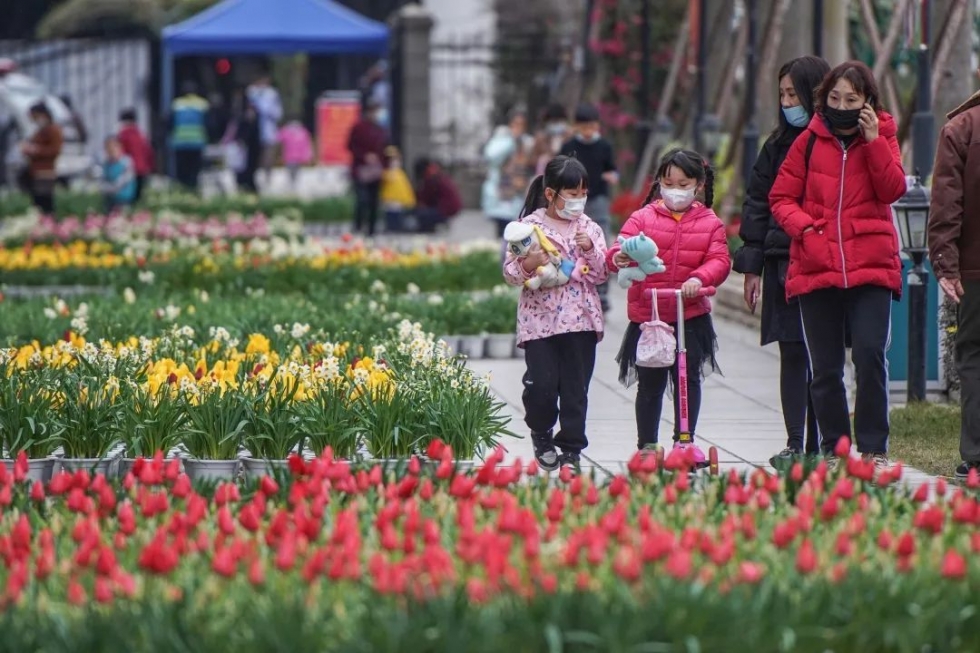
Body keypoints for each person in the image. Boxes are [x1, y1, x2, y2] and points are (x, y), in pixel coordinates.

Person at [769, 60, 906, 471]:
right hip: (817, 266)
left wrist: (873, 141)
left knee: (869, 356)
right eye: (834, 98)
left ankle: (873, 449)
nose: (841, 106)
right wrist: (807, 230)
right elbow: (780, 198)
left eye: (852, 99)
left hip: (871, 267)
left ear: (868, 103)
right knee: (825, 368)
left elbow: (892, 189)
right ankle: (835, 450)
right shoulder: (809, 141)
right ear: (823, 98)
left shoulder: (883, 135)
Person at [733, 55, 830, 468]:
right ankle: (794, 442)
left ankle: (823, 442)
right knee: (792, 353)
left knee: (821, 357)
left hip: (822, 261)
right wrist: (751, 267)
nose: (788, 101)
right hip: (781, 261)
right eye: (783, 94)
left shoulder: (832, 143)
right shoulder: (774, 146)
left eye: (795, 93)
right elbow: (756, 205)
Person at [607, 149, 730, 461]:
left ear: (698, 185)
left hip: (689, 313)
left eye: (683, 184)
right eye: (669, 183)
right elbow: (621, 246)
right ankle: (647, 445)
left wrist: (700, 278)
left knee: (687, 378)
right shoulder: (643, 217)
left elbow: (719, 259)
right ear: (659, 182)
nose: (675, 190)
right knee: (650, 382)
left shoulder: (709, 222)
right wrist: (618, 257)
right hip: (651, 314)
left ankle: (684, 440)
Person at [502, 155, 609, 471]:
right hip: (540, 324)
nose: (578, 201)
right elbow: (510, 274)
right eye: (571, 194)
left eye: (582, 193)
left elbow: (601, 274)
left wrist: (589, 248)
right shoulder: (527, 230)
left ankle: (571, 451)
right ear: (551, 194)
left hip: (581, 322)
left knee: (576, 392)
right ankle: (541, 430)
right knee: (543, 388)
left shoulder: (589, 228)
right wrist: (530, 263)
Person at [927, 66, 980, 479]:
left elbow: (947, 201)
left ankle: (976, 455)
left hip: (974, 268)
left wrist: (945, 261)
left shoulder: (961, 128)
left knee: (974, 353)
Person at [561, 103, 618, 313]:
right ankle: (572, 285)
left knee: (600, 245)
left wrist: (612, 176)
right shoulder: (568, 147)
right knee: (572, 245)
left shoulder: (604, 146)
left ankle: (602, 294)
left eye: (592, 127)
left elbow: (612, 169)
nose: (588, 131)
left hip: (597, 200)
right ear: (576, 127)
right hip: (573, 202)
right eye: (584, 127)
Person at [482, 108, 535, 239]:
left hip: (520, 194)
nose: (518, 128)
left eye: (522, 124)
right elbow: (491, 156)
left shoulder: (528, 142)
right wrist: (510, 140)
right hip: (501, 194)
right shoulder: (501, 139)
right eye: (515, 124)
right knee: (502, 235)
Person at [347, 99, 389, 236]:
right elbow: (350, 146)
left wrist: (384, 164)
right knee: (362, 200)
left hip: (376, 171)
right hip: (361, 169)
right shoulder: (358, 128)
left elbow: (385, 149)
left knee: (374, 201)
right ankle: (358, 226)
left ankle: (371, 229)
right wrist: (364, 156)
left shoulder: (380, 129)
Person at [20, 102, 62, 215]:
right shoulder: (40, 131)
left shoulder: (53, 130)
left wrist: (35, 150)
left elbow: (55, 150)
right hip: (35, 172)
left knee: (45, 202)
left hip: (45, 172)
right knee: (37, 202)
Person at [168, 81, 209, 190]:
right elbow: (209, 123)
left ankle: (182, 191)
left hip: (180, 142)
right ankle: (193, 190)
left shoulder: (177, 104)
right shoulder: (202, 104)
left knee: (182, 171)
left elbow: (169, 123)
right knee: (194, 171)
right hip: (197, 142)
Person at [246, 73, 283, 182]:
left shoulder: (272, 93)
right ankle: (254, 176)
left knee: (268, 152)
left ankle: (268, 177)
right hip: (253, 130)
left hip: (268, 128)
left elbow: (277, 112)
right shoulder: (251, 92)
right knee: (255, 154)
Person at [414, 157, 463, 233]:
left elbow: (426, 197)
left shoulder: (431, 177)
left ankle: (431, 226)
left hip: (445, 208)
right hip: (453, 207)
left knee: (421, 214)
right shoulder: (438, 173)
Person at [116, 108, 154, 203]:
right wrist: (150, 166)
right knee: (138, 195)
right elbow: (148, 151)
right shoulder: (140, 134)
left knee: (128, 196)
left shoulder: (123, 134)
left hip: (131, 169)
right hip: (142, 168)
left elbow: (121, 153)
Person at [380, 146, 415, 233]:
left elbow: (405, 188)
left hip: (399, 201)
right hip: (389, 200)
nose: (394, 161)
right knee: (391, 218)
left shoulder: (400, 173)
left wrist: (409, 200)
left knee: (398, 219)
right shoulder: (386, 173)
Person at [100, 135, 137, 214]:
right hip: (109, 201)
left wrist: (110, 188)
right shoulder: (106, 164)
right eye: (108, 148)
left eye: (113, 147)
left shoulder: (126, 162)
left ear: (119, 147)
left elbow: (122, 181)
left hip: (124, 201)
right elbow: (102, 181)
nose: (111, 150)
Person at [278, 117, 314, 189]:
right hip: (292, 157)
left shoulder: (302, 132)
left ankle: (293, 183)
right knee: (293, 171)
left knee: (293, 171)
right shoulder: (302, 131)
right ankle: (292, 183)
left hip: (291, 156)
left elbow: (278, 138)